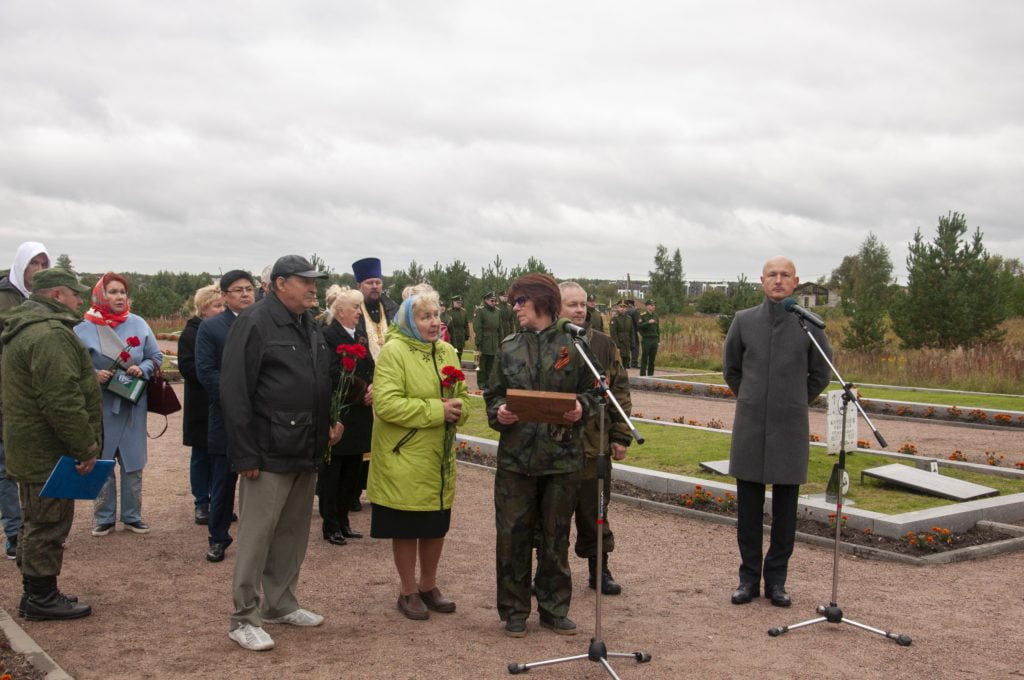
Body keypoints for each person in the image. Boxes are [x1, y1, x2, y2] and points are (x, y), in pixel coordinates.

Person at [220, 255, 341, 652]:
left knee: (292, 533)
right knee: (257, 537)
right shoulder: (254, 323)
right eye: (305, 282)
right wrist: (244, 455)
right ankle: (244, 617)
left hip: (305, 447)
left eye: (315, 282)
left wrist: (327, 426)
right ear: (280, 283)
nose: (313, 288)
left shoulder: (309, 324)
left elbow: (317, 380)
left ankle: (281, 603)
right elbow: (235, 391)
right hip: (267, 451)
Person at [484, 273, 594, 638]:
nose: (515, 308)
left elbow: (595, 393)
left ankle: (554, 608)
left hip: (561, 458)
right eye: (513, 302)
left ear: (542, 303)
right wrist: (500, 412)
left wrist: (582, 408)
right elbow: (493, 394)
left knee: (556, 536)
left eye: (520, 302)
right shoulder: (508, 347)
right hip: (516, 460)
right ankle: (514, 610)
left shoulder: (575, 345)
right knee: (512, 536)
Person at [724, 256, 831, 608]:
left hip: (789, 427)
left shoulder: (809, 325)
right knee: (748, 513)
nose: (779, 280)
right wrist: (754, 398)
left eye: (785, 275)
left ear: (796, 281)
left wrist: (794, 401)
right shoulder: (743, 321)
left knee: (786, 514)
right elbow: (732, 369)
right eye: (773, 275)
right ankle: (748, 579)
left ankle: (778, 582)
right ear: (762, 281)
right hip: (751, 427)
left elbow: (821, 373)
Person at [2, 268, 99, 620]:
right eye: (75, 294)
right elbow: (61, 398)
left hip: (31, 447)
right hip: (47, 451)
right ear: (57, 295)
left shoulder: (26, 328)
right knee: (48, 522)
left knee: (35, 520)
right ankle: (41, 598)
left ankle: (36, 593)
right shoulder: (49, 335)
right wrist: (84, 447)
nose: (80, 300)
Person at [367, 289, 469, 621]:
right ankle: (408, 590)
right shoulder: (394, 352)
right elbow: (386, 404)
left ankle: (429, 585)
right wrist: (437, 410)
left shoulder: (447, 351)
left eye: (437, 315)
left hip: (438, 457)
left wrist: (459, 410)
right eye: (425, 317)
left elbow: (462, 395)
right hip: (404, 455)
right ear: (410, 320)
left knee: (435, 525)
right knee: (407, 525)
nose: (434, 322)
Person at [75, 272, 163, 537]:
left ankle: (132, 516)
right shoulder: (82, 329)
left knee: (133, 461)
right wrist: (93, 375)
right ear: (101, 295)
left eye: (122, 292)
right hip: (101, 405)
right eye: (112, 292)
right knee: (102, 461)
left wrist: (143, 368)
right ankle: (103, 517)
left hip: (132, 405)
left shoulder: (138, 323)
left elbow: (155, 355)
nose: (119, 297)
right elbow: (71, 367)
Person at [559, 282, 631, 595]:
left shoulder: (602, 344)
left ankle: (599, 570)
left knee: (596, 513)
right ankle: (549, 573)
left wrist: (620, 436)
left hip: (595, 446)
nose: (579, 309)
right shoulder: (549, 342)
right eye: (571, 304)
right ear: (557, 308)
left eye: (582, 304)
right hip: (557, 445)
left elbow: (620, 392)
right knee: (552, 517)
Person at [195, 270, 256, 562]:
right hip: (226, 416)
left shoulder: (264, 323)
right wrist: (237, 398)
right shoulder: (212, 328)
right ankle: (218, 537)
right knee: (223, 481)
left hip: (262, 416)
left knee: (262, 482)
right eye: (237, 290)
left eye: (249, 288)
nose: (245, 294)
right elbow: (206, 372)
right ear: (223, 295)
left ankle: (258, 537)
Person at [0, 241, 49, 559]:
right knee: (5, 466)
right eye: (34, 264)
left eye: (44, 265)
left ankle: (34, 530)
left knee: (34, 465)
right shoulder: (4, 299)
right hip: (6, 393)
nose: (39, 271)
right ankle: (15, 533)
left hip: (35, 395)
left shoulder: (44, 300)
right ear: (21, 265)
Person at [319, 285, 373, 545]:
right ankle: (331, 524)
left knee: (352, 470)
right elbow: (331, 371)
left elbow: (370, 366)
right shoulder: (328, 335)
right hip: (340, 411)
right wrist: (360, 389)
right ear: (340, 311)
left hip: (360, 413)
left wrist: (373, 387)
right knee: (333, 472)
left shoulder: (359, 334)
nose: (359, 312)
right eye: (355, 307)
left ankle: (344, 521)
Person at [177, 284, 224, 525]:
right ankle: (201, 502)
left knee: (220, 456)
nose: (221, 309)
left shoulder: (223, 329)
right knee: (201, 455)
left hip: (221, 400)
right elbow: (187, 367)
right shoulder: (191, 333)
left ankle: (219, 501)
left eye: (222, 305)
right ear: (203, 309)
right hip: (201, 403)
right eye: (217, 306)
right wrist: (213, 376)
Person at [473, 291, 502, 390]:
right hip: (484, 339)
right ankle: (481, 383)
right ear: (485, 300)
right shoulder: (480, 311)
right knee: (482, 363)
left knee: (492, 363)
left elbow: (500, 327)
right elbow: (477, 327)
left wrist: (501, 341)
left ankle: (489, 382)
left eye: (495, 301)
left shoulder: (498, 311)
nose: (494, 302)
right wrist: (478, 342)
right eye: (491, 301)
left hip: (495, 340)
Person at [609, 300, 634, 374]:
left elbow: (631, 332)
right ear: (617, 308)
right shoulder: (615, 319)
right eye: (621, 307)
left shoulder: (629, 319)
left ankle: (624, 378)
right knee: (619, 363)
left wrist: (632, 343)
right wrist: (617, 346)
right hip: (619, 344)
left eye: (624, 307)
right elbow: (613, 333)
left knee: (626, 361)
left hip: (627, 344)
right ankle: (618, 379)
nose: (622, 309)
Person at [638, 299, 660, 376]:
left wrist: (658, 340)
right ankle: (643, 375)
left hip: (654, 339)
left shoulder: (655, 316)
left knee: (652, 359)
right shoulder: (643, 315)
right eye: (652, 305)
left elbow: (657, 328)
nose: (654, 306)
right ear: (647, 306)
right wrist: (648, 322)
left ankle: (651, 375)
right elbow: (639, 326)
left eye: (654, 305)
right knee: (645, 358)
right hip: (647, 339)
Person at [447, 295, 470, 364]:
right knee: (453, 353)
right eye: (457, 302)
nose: (459, 304)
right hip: (452, 336)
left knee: (460, 353)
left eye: (460, 302)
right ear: (453, 302)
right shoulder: (449, 312)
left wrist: (467, 334)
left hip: (461, 336)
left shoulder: (464, 312)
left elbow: (466, 324)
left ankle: (458, 367)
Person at [625, 299, 641, 368]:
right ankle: (634, 363)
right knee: (635, 347)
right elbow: (638, 324)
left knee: (626, 348)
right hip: (633, 332)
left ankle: (626, 363)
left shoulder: (623, 311)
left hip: (625, 332)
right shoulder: (635, 311)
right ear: (632, 304)